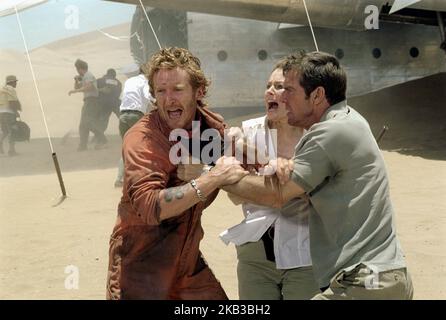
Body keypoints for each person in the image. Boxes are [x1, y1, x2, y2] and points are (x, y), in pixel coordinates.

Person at [222, 51, 414, 300]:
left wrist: (218, 176)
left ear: (317, 95)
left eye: (288, 89)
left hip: (366, 281)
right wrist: (260, 158)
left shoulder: (328, 134)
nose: (282, 97)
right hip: (374, 277)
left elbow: (276, 195)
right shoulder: (348, 119)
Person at [106, 47, 248, 300]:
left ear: (199, 91)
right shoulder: (143, 139)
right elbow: (149, 206)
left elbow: (241, 165)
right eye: (161, 91)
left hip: (187, 260)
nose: (169, 99)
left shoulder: (210, 126)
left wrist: (242, 145)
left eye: (178, 89)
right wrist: (211, 177)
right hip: (141, 265)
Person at [220, 61, 319, 299]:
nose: (269, 91)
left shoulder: (318, 135)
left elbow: (324, 194)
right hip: (256, 253)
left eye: (280, 86)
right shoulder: (246, 133)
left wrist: (258, 181)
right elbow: (234, 195)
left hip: (307, 253)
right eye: (268, 85)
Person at [114, 67, 153, 188]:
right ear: (147, 73)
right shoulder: (145, 82)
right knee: (144, 146)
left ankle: (119, 179)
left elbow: (122, 98)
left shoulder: (129, 81)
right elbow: (148, 96)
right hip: (135, 116)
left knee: (126, 149)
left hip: (123, 117)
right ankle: (144, 177)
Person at [68, 59, 107, 151]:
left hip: (91, 101)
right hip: (89, 101)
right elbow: (78, 87)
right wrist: (77, 81)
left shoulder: (88, 75)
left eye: (77, 69)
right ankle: (83, 145)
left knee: (87, 123)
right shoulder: (85, 76)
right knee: (84, 124)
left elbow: (90, 87)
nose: (77, 71)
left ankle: (102, 139)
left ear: (79, 68)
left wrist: (75, 91)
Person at [0, 75, 21, 156]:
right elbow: (12, 102)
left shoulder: (1, 89)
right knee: (12, 131)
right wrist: (16, 112)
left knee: (4, 131)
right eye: (15, 82)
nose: (16, 83)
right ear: (11, 82)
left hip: (0, 113)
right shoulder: (11, 89)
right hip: (9, 113)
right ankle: (11, 151)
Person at [97, 68, 122, 134]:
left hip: (104, 104)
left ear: (107, 73)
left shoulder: (101, 80)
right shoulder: (119, 83)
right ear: (114, 75)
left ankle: (99, 137)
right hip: (115, 103)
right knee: (122, 118)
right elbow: (118, 94)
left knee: (103, 121)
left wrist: (100, 90)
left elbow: (92, 88)